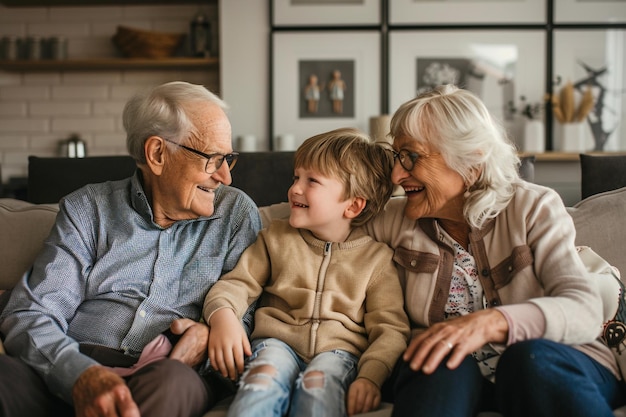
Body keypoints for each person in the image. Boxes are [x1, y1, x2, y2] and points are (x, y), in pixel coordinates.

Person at [0, 81, 262, 417]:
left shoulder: (235, 217)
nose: (225, 176)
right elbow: (32, 311)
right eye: (212, 159)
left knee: (172, 384)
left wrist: (209, 337)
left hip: (170, 368)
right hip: (76, 361)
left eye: (228, 158)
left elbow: (251, 316)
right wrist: (79, 375)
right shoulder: (88, 210)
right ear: (157, 154)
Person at [363, 84, 625, 417]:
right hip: (458, 377)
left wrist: (492, 322)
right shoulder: (396, 220)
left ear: (472, 160)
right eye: (396, 156)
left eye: (411, 156)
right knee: (435, 355)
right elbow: (310, 215)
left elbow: (585, 309)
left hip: (554, 362)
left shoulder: (532, 207)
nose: (397, 174)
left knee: (527, 358)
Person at [203, 128, 410, 417]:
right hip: (276, 343)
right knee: (262, 378)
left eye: (312, 180)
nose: (295, 189)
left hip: (339, 354)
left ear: (353, 205)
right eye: (296, 177)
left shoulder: (376, 260)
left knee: (318, 386)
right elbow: (236, 284)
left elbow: (391, 330)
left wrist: (370, 377)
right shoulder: (275, 237)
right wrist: (223, 315)